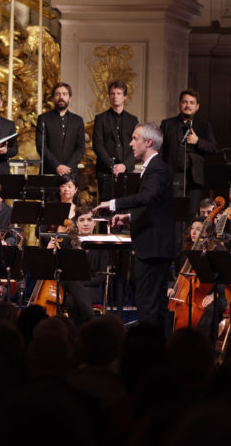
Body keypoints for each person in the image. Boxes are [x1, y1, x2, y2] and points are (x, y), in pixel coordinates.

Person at [94, 122, 176, 331]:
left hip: (154, 248)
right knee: (154, 306)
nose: (130, 144)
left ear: (148, 142)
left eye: (135, 138)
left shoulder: (157, 168)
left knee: (148, 306)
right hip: (153, 246)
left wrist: (112, 203)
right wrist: (128, 218)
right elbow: (155, 207)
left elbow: (147, 197)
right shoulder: (154, 167)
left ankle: (151, 354)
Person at [160, 89, 218, 221]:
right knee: (173, 214)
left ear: (197, 106)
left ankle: (188, 241)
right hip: (174, 176)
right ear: (179, 104)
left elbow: (213, 148)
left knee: (191, 216)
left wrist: (198, 142)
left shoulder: (204, 125)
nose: (188, 105)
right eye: (185, 102)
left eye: (191, 103)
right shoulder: (167, 124)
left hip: (194, 179)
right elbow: (161, 152)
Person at [93, 80, 139, 201]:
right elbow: (98, 145)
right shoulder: (100, 119)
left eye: (118, 93)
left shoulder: (133, 120)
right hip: (106, 171)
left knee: (125, 209)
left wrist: (124, 165)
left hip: (127, 171)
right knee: (104, 210)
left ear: (125, 96)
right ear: (109, 96)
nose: (115, 96)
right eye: (112, 93)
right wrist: (113, 166)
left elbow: (137, 146)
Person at [35, 82, 85, 177]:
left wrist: (67, 167)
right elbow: (41, 146)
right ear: (53, 99)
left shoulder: (78, 120)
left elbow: (80, 148)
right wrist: (57, 166)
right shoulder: (43, 119)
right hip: (49, 171)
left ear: (69, 98)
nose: (61, 97)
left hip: (70, 172)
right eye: (58, 94)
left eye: (64, 94)